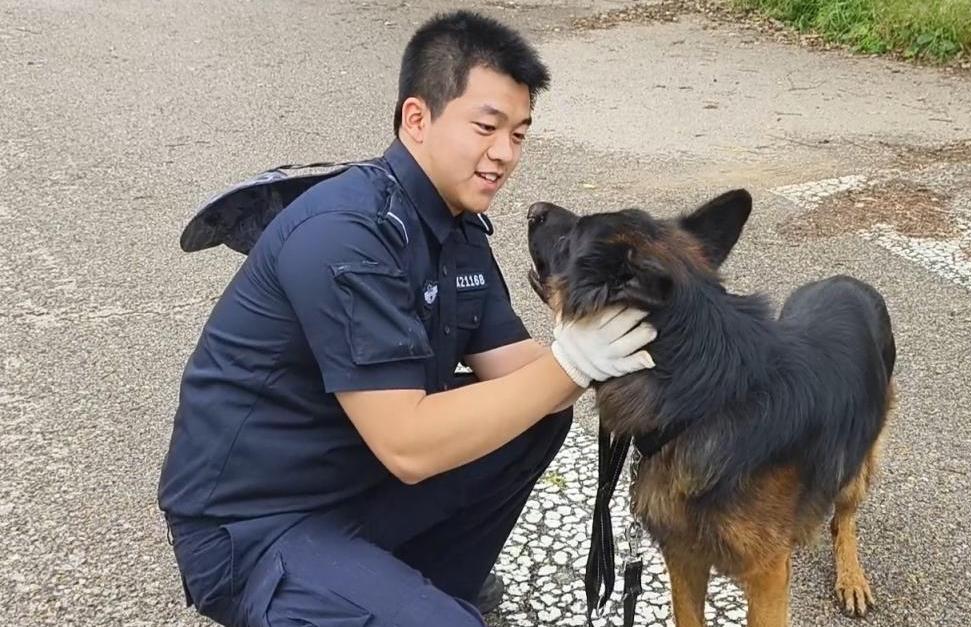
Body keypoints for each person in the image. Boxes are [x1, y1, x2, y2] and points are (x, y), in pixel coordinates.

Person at [156, 9, 656, 627]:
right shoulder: (344, 235)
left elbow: (521, 371)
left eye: (520, 134)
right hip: (255, 527)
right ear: (416, 118)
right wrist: (573, 362)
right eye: (486, 127)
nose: (504, 154)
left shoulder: (458, 225)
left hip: (354, 487)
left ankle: (425, 589)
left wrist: (642, 356)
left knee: (536, 415)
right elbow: (409, 445)